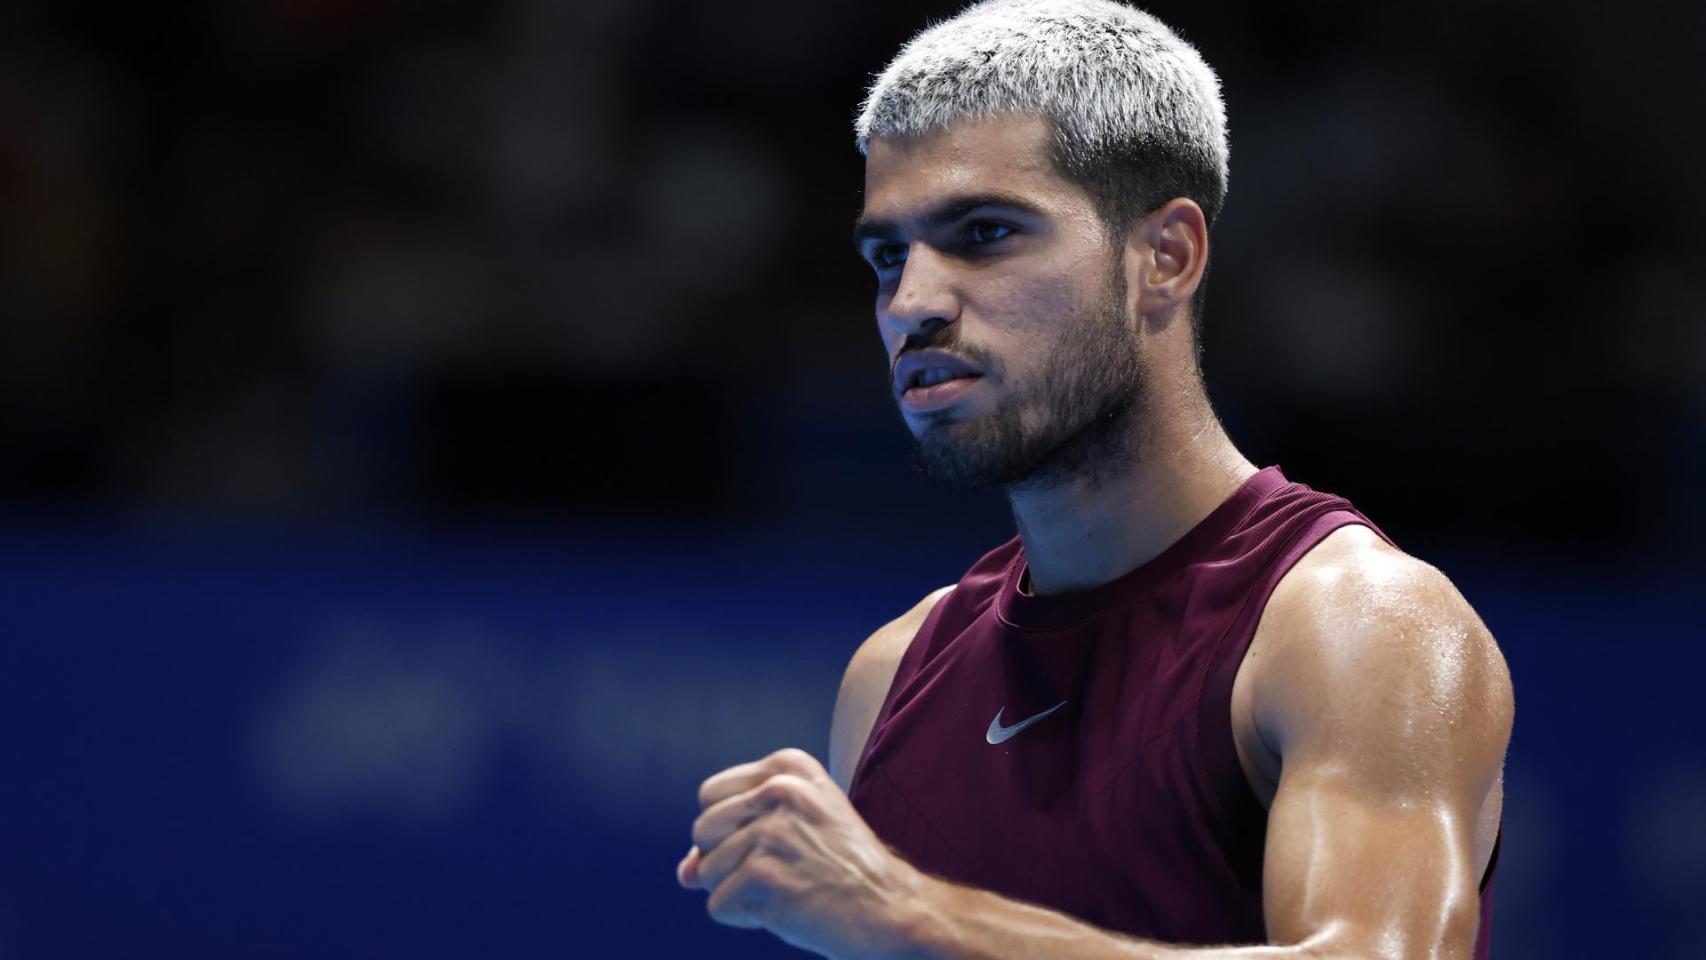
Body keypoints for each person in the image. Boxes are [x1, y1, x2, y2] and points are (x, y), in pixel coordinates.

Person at [675, 1, 1514, 957]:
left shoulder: (1357, 627)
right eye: (887, 256)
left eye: (985, 233)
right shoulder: (892, 675)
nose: (912, 304)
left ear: (1167, 256)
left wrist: (910, 914)